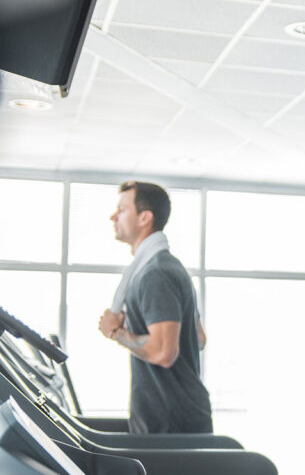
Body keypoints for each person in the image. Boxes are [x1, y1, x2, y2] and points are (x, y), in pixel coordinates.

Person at [98, 181, 212, 434]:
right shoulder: (165, 266)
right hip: (174, 417)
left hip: (170, 423)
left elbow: (163, 352)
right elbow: (199, 338)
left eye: (122, 210)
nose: (113, 216)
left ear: (144, 217)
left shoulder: (155, 273)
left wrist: (116, 333)